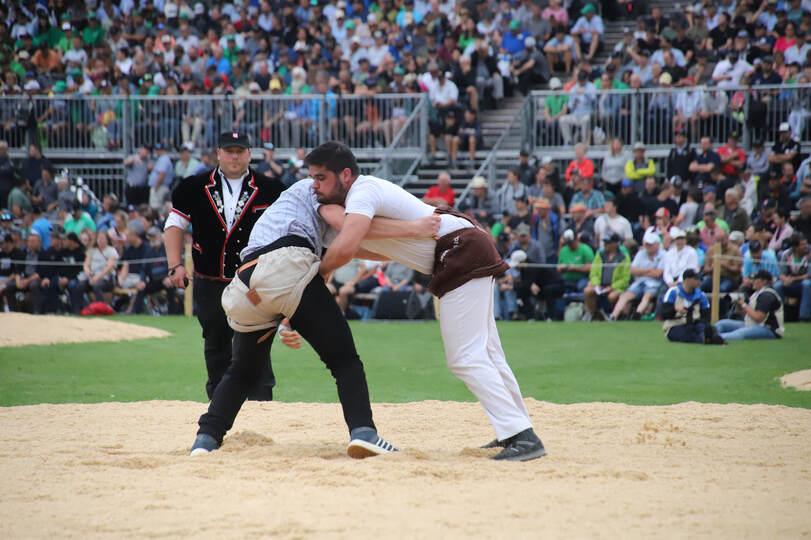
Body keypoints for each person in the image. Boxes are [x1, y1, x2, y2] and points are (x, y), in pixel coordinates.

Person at [312, 141, 545, 461]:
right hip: (462, 245)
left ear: (345, 175)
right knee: (489, 352)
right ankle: (515, 429)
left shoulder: (362, 192)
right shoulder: (359, 199)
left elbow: (349, 245)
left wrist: (319, 273)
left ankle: (521, 434)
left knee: (465, 357)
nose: (315, 185)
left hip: (459, 249)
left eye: (321, 178)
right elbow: (370, 248)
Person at [189, 177, 433, 458]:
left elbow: (353, 245)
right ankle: (364, 432)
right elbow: (348, 227)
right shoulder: (316, 188)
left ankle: (206, 439)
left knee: (242, 371)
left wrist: (404, 250)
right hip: (285, 267)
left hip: (245, 285)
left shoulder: (299, 212)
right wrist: (416, 229)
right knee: (345, 361)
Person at [164, 132, 284, 401]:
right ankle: (218, 404)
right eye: (229, 151)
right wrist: (175, 265)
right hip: (209, 280)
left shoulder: (272, 189)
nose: (234, 156)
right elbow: (175, 225)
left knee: (257, 339)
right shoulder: (193, 186)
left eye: (240, 151)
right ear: (218, 153)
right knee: (215, 341)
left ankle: (262, 403)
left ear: (249, 154)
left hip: (254, 282)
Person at [716, 270, 784, 340]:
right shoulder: (757, 293)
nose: (752, 281)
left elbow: (758, 318)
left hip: (769, 329)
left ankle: (714, 338)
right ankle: (711, 335)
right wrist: (739, 305)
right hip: (752, 324)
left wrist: (743, 304)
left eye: (755, 279)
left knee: (739, 333)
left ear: (764, 281)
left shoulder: (767, 295)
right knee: (721, 323)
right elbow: (748, 314)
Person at [611, 231, 664, 320]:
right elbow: (632, 270)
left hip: (654, 283)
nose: (648, 246)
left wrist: (641, 271)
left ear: (657, 244)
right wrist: (649, 270)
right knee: (625, 296)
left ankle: (637, 313)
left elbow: (657, 274)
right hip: (639, 282)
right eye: (647, 244)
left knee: (647, 296)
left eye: (651, 244)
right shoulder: (641, 253)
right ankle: (613, 316)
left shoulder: (663, 255)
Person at [661, 269, 721, 344]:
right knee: (683, 334)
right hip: (675, 325)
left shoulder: (701, 295)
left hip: (694, 324)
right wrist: (675, 309)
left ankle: (706, 337)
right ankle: (704, 339)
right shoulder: (673, 292)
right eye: (696, 279)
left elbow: (706, 316)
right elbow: (664, 314)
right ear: (687, 280)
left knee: (706, 328)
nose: (699, 281)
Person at [582, 233, 630, 321]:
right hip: (600, 285)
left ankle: (608, 314)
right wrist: (596, 284)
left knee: (612, 296)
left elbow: (625, 279)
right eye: (604, 242)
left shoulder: (624, 257)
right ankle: (592, 314)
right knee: (587, 291)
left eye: (608, 243)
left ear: (615, 244)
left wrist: (612, 287)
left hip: (616, 287)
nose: (605, 245)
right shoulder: (599, 254)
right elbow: (593, 273)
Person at [775, 233, 810, 321]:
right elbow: (781, 273)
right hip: (790, 283)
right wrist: (785, 279)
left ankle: (804, 316)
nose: (806, 246)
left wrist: (793, 279)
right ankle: (780, 315)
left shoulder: (809, 254)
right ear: (795, 247)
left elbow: (809, 275)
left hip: (803, 282)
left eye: (806, 244)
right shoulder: (786, 254)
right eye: (802, 245)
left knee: (807, 284)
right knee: (777, 285)